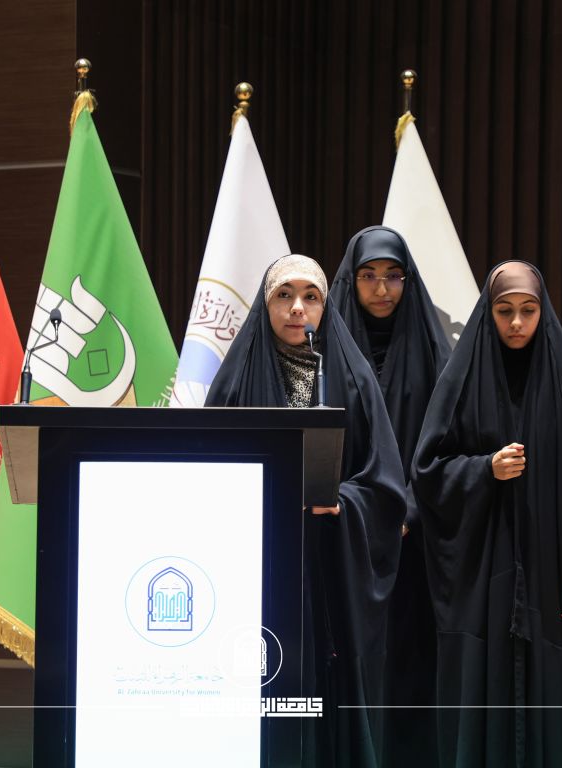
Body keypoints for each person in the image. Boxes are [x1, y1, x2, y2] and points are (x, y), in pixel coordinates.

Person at [411, 261, 562, 767]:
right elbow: (428, 471)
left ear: (543, 312)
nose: (517, 322)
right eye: (505, 311)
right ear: (489, 313)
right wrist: (484, 469)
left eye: (528, 310)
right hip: (484, 570)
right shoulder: (462, 380)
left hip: (550, 568)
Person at [206, 254, 406, 768]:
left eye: (311, 297)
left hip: (329, 563)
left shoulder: (353, 380)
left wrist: (343, 502)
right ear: (265, 305)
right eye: (284, 295)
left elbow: (385, 486)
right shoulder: (236, 379)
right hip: (255, 562)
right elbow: (206, 470)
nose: (298, 308)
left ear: (324, 306)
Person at [328, 225, 450, 766]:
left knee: (409, 656)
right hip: (345, 530)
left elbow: (449, 442)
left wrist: (408, 508)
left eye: (394, 276)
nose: (382, 289)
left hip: (415, 538)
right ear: (350, 281)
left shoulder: (435, 351)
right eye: (369, 276)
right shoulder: (323, 349)